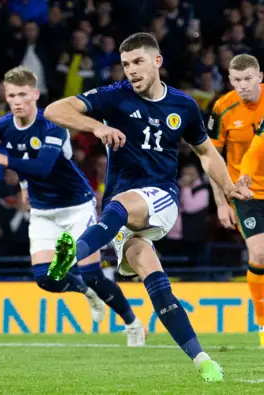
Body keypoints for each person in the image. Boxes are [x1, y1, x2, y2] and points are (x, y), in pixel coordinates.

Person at [43, 33, 253, 382]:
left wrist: (229, 188)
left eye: (138, 62)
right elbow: (53, 110)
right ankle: (203, 360)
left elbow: (205, 153)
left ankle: (74, 253)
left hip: (161, 196)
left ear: (157, 62)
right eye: (126, 65)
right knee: (151, 274)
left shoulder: (183, 106)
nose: (131, 71)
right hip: (120, 208)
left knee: (123, 205)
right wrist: (97, 126)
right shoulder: (115, 96)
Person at [0, 65, 145, 346]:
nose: (16, 101)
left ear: (35, 95)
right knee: (45, 279)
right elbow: (24, 162)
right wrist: (26, 188)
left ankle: (132, 323)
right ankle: (86, 293)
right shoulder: (4, 126)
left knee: (91, 273)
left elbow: (42, 166)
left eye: (22, 95)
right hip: (42, 211)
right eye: (11, 95)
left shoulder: (53, 125)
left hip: (76, 206)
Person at [207, 54, 264, 346]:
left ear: (260, 77)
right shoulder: (222, 108)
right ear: (230, 80)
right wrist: (220, 201)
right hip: (244, 193)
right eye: (237, 80)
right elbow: (210, 157)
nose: (243, 86)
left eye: (248, 79)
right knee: (259, 253)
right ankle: (262, 322)